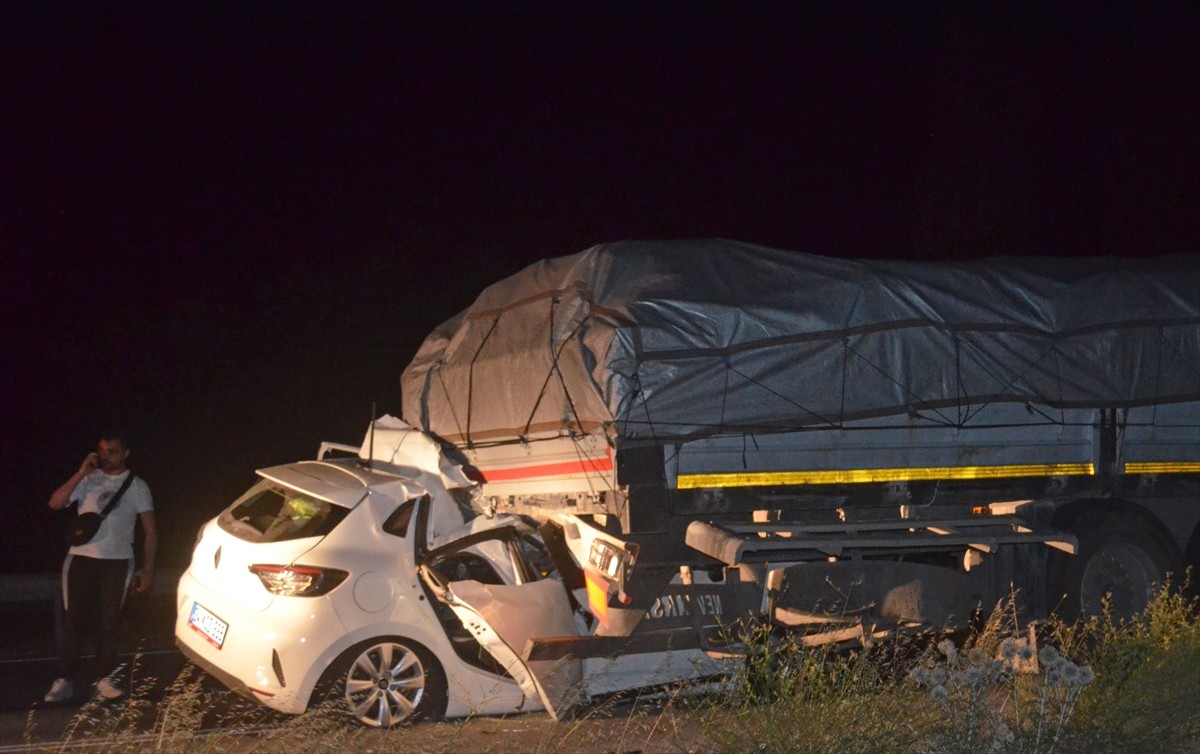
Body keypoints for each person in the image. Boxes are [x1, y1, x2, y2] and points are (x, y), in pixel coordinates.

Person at [42, 431, 157, 704]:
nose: (105, 456)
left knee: (110, 622)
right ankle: (63, 680)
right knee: (74, 622)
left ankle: (103, 679)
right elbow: (56, 503)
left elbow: (150, 530)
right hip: (81, 559)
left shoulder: (138, 486)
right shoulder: (88, 480)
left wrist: (148, 568)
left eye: (112, 451)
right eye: (102, 450)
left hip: (118, 561)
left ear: (126, 453)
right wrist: (80, 473)